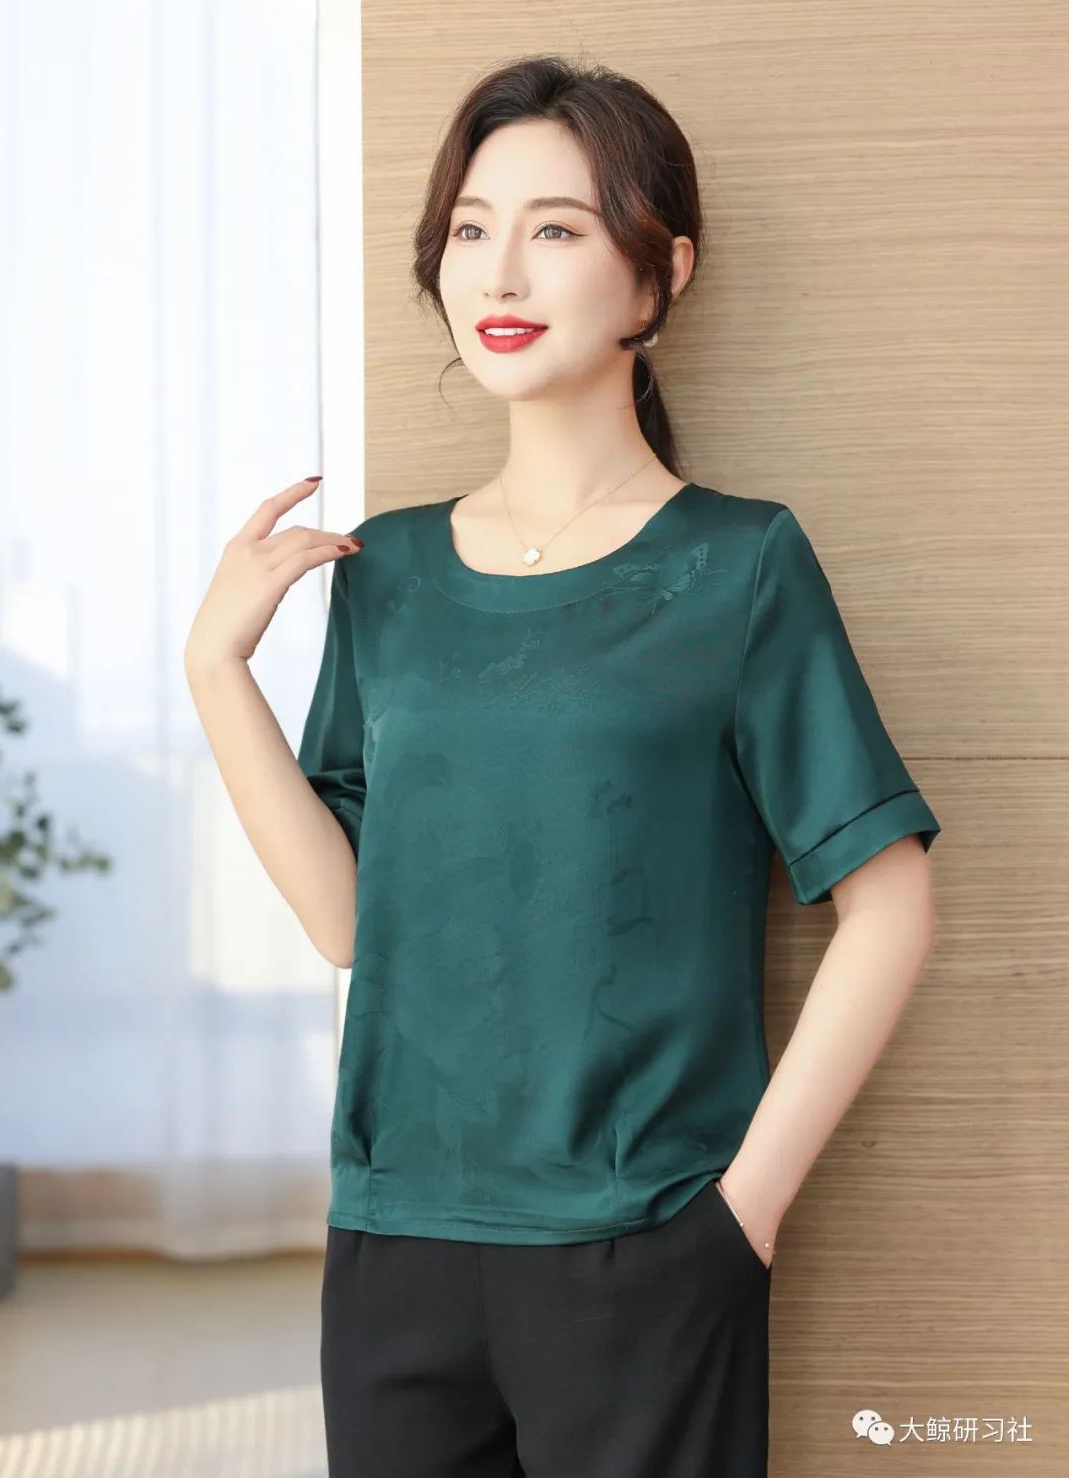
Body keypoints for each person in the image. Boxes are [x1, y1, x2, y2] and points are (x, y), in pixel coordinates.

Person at [186, 54, 941, 1478]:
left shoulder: (739, 564)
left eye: (557, 226)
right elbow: (350, 919)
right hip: (393, 1244)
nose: (501, 269)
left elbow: (889, 899)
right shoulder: (384, 571)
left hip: (647, 1244)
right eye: (471, 228)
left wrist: (744, 1212)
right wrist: (216, 672)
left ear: (660, 275)